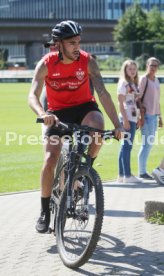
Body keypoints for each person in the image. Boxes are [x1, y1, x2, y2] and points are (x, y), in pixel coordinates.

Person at [28, 20, 121, 233]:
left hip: (84, 108)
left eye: (78, 42)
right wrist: (43, 114)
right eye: (71, 43)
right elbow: (32, 94)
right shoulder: (46, 63)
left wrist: (118, 125)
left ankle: (85, 169)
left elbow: (103, 94)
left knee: (98, 131)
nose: (76, 47)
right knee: (50, 159)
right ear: (58, 44)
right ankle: (44, 211)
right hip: (56, 113)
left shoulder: (88, 62)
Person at [138, 57, 163, 180]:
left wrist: (160, 117)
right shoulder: (144, 79)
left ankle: (143, 170)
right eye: (151, 65)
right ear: (147, 65)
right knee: (146, 144)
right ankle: (142, 171)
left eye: (155, 66)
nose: (153, 68)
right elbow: (138, 98)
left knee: (149, 143)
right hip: (146, 116)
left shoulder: (156, 80)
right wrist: (141, 117)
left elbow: (157, 100)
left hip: (154, 116)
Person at [117, 60, 142, 183]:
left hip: (133, 118)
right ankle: (128, 176)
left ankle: (121, 176)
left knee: (124, 147)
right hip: (126, 118)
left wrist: (138, 118)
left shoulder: (133, 83)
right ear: (125, 70)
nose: (132, 70)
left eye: (134, 68)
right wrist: (125, 120)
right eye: (129, 69)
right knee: (127, 147)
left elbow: (136, 103)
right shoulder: (124, 83)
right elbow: (120, 103)